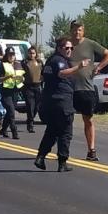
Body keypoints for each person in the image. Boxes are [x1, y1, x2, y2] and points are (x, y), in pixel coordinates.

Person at [35, 37, 91, 172]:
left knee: (52, 131)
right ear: (59, 48)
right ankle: (62, 162)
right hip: (61, 101)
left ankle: (40, 157)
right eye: (67, 48)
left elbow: (43, 77)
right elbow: (61, 74)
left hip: (50, 101)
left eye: (71, 48)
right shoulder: (58, 61)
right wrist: (79, 66)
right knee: (66, 132)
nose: (70, 50)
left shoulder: (50, 60)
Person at [69, 20, 108, 161]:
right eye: (75, 29)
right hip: (69, 88)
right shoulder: (66, 45)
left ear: (84, 31)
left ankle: (91, 150)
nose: (77, 32)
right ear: (71, 30)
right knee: (65, 120)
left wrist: (99, 67)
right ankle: (63, 149)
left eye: (80, 29)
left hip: (86, 88)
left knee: (88, 119)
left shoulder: (90, 44)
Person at [0, 47, 25, 139]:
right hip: (6, 91)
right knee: (11, 111)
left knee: (10, 112)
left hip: (15, 91)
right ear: (6, 55)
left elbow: (22, 76)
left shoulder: (18, 64)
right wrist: (8, 76)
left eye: (13, 54)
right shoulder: (3, 65)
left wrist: (21, 79)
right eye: (9, 55)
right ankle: (14, 131)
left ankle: (4, 129)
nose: (11, 56)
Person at [22, 46, 44, 133]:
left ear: (36, 54)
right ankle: (30, 124)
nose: (32, 55)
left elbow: (43, 72)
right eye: (30, 53)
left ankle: (31, 119)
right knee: (30, 106)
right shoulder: (25, 62)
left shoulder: (39, 62)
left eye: (33, 53)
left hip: (37, 86)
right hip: (28, 87)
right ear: (28, 53)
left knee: (36, 107)